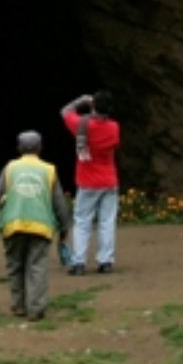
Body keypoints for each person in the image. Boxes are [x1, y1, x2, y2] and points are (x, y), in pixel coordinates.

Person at [0, 130, 72, 321]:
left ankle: (18, 305)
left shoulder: (10, 167)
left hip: (13, 223)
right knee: (37, 266)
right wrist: (65, 229)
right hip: (41, 225)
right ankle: (36, 308)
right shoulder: (49, 170)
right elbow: (60, 203)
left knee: (15, 265)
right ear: (40, 148)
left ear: (19, 148)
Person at [60, 91, 121, 274]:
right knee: (107, 221)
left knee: (82, 222)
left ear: (93, 106)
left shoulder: (81, 125)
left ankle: (78, 262)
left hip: (87, 180)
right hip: (109, 180)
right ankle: (106, 261)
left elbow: (64, 111)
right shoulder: (114, 128)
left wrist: (82, 101)